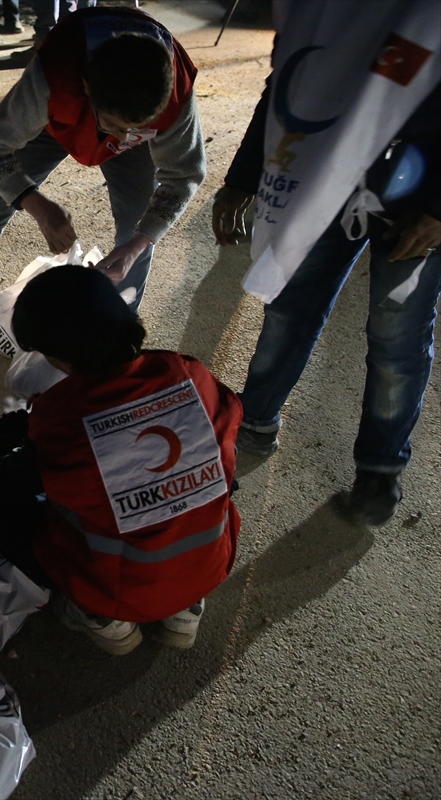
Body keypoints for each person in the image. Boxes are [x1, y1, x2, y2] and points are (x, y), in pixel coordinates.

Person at [0, 265, 241, 654]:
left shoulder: (64, 417)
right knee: (207, 480)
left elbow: (24, 483)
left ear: (62, 359)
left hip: (120, 591)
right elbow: (228, 422)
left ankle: (100, 616)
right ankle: (185, 608)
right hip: (211, 565)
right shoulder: (189, 373)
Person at [212, 73, 441, 527]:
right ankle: (255, 419)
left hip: (422, 189)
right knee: (289, 307)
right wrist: (243, 175)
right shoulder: (330, 8)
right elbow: (292, 76)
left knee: (397, 334)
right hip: (331, 177)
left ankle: (381, 466)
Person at [0, 5, 205, 333]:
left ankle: (116, 322)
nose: (120, 139)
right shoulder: (55, 74)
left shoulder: (177, 94)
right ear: (87, 88)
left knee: (138, 223)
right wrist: (35, 203)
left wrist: (138, 243)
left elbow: (184, 176)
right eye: (116, 126)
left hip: (120, 120)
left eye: (135, 129)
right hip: (57, 120)